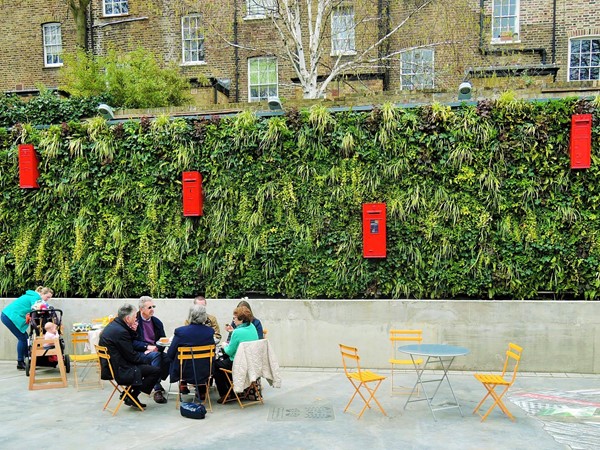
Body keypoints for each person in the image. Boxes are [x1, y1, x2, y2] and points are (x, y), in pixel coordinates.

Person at [98, 303, 161, 409]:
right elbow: (132, 356)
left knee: (150, 364)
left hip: (113, 365)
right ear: (127, 318)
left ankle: (130, 394)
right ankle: (132, 395)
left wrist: (133, 331)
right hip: (121, 368)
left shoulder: (114, 325)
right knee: (155, 370)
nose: (136, 319)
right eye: (135, 317)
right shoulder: (121, 331)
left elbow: (128, 348)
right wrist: (146, 357)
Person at [167, 304, 215, 400]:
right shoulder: (209, 331)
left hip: (184, 372)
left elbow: (170, 354)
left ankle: (183, 385)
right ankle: (201, 390)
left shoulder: (181, 331)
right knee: (201, 360)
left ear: (190, 315)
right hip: (204, 371)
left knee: (174, 356)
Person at [214, 305, 259, 403]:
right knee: (223, 362)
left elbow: (229, 351)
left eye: (234, 318)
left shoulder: (237, 332)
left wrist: (224, 345)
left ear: (241, 319)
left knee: (215, 365)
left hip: (238, 363)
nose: (233, 320)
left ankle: (225, 393)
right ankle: (233, 390)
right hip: (251, 362)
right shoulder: (252, 327)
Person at [1, 286, 53, 370]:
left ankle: (27, 360)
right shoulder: (36, 297)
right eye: (47, 297)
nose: (47, 299)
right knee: (23, 338)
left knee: (24, 338)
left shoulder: (33, 296)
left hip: (7, 315)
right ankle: (20, 362)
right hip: (10, 316)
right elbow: (37, 309)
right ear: (42, 294)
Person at [133, 296, 168, 404]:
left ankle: (154, 380)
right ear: (141, 309)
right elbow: (132, 342)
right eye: (149, 307)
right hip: (140, 352)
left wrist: (158, 348)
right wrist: (146, 348)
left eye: (153, 306)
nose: (152, 309)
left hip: (155, 350)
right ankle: (157, 389)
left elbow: (163, 339)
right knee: (156, 356)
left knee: (170, 357)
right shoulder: (134, 321)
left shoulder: (157, 322)